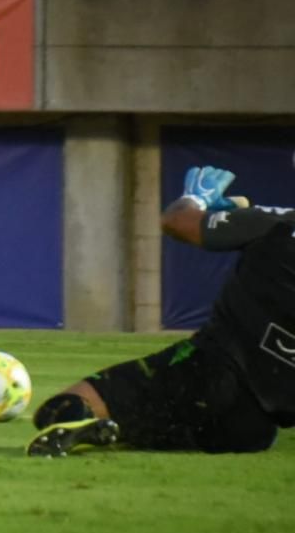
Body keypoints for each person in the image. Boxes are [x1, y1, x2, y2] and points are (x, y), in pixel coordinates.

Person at [27, 165, 294, 457]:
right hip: (255, 425)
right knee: (199, 428)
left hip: (207, 371)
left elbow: (178, 221)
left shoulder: (279, 223)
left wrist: (196, 198)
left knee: (63, 406)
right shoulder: (270, 221)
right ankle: (127, 430)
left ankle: (88, 423)